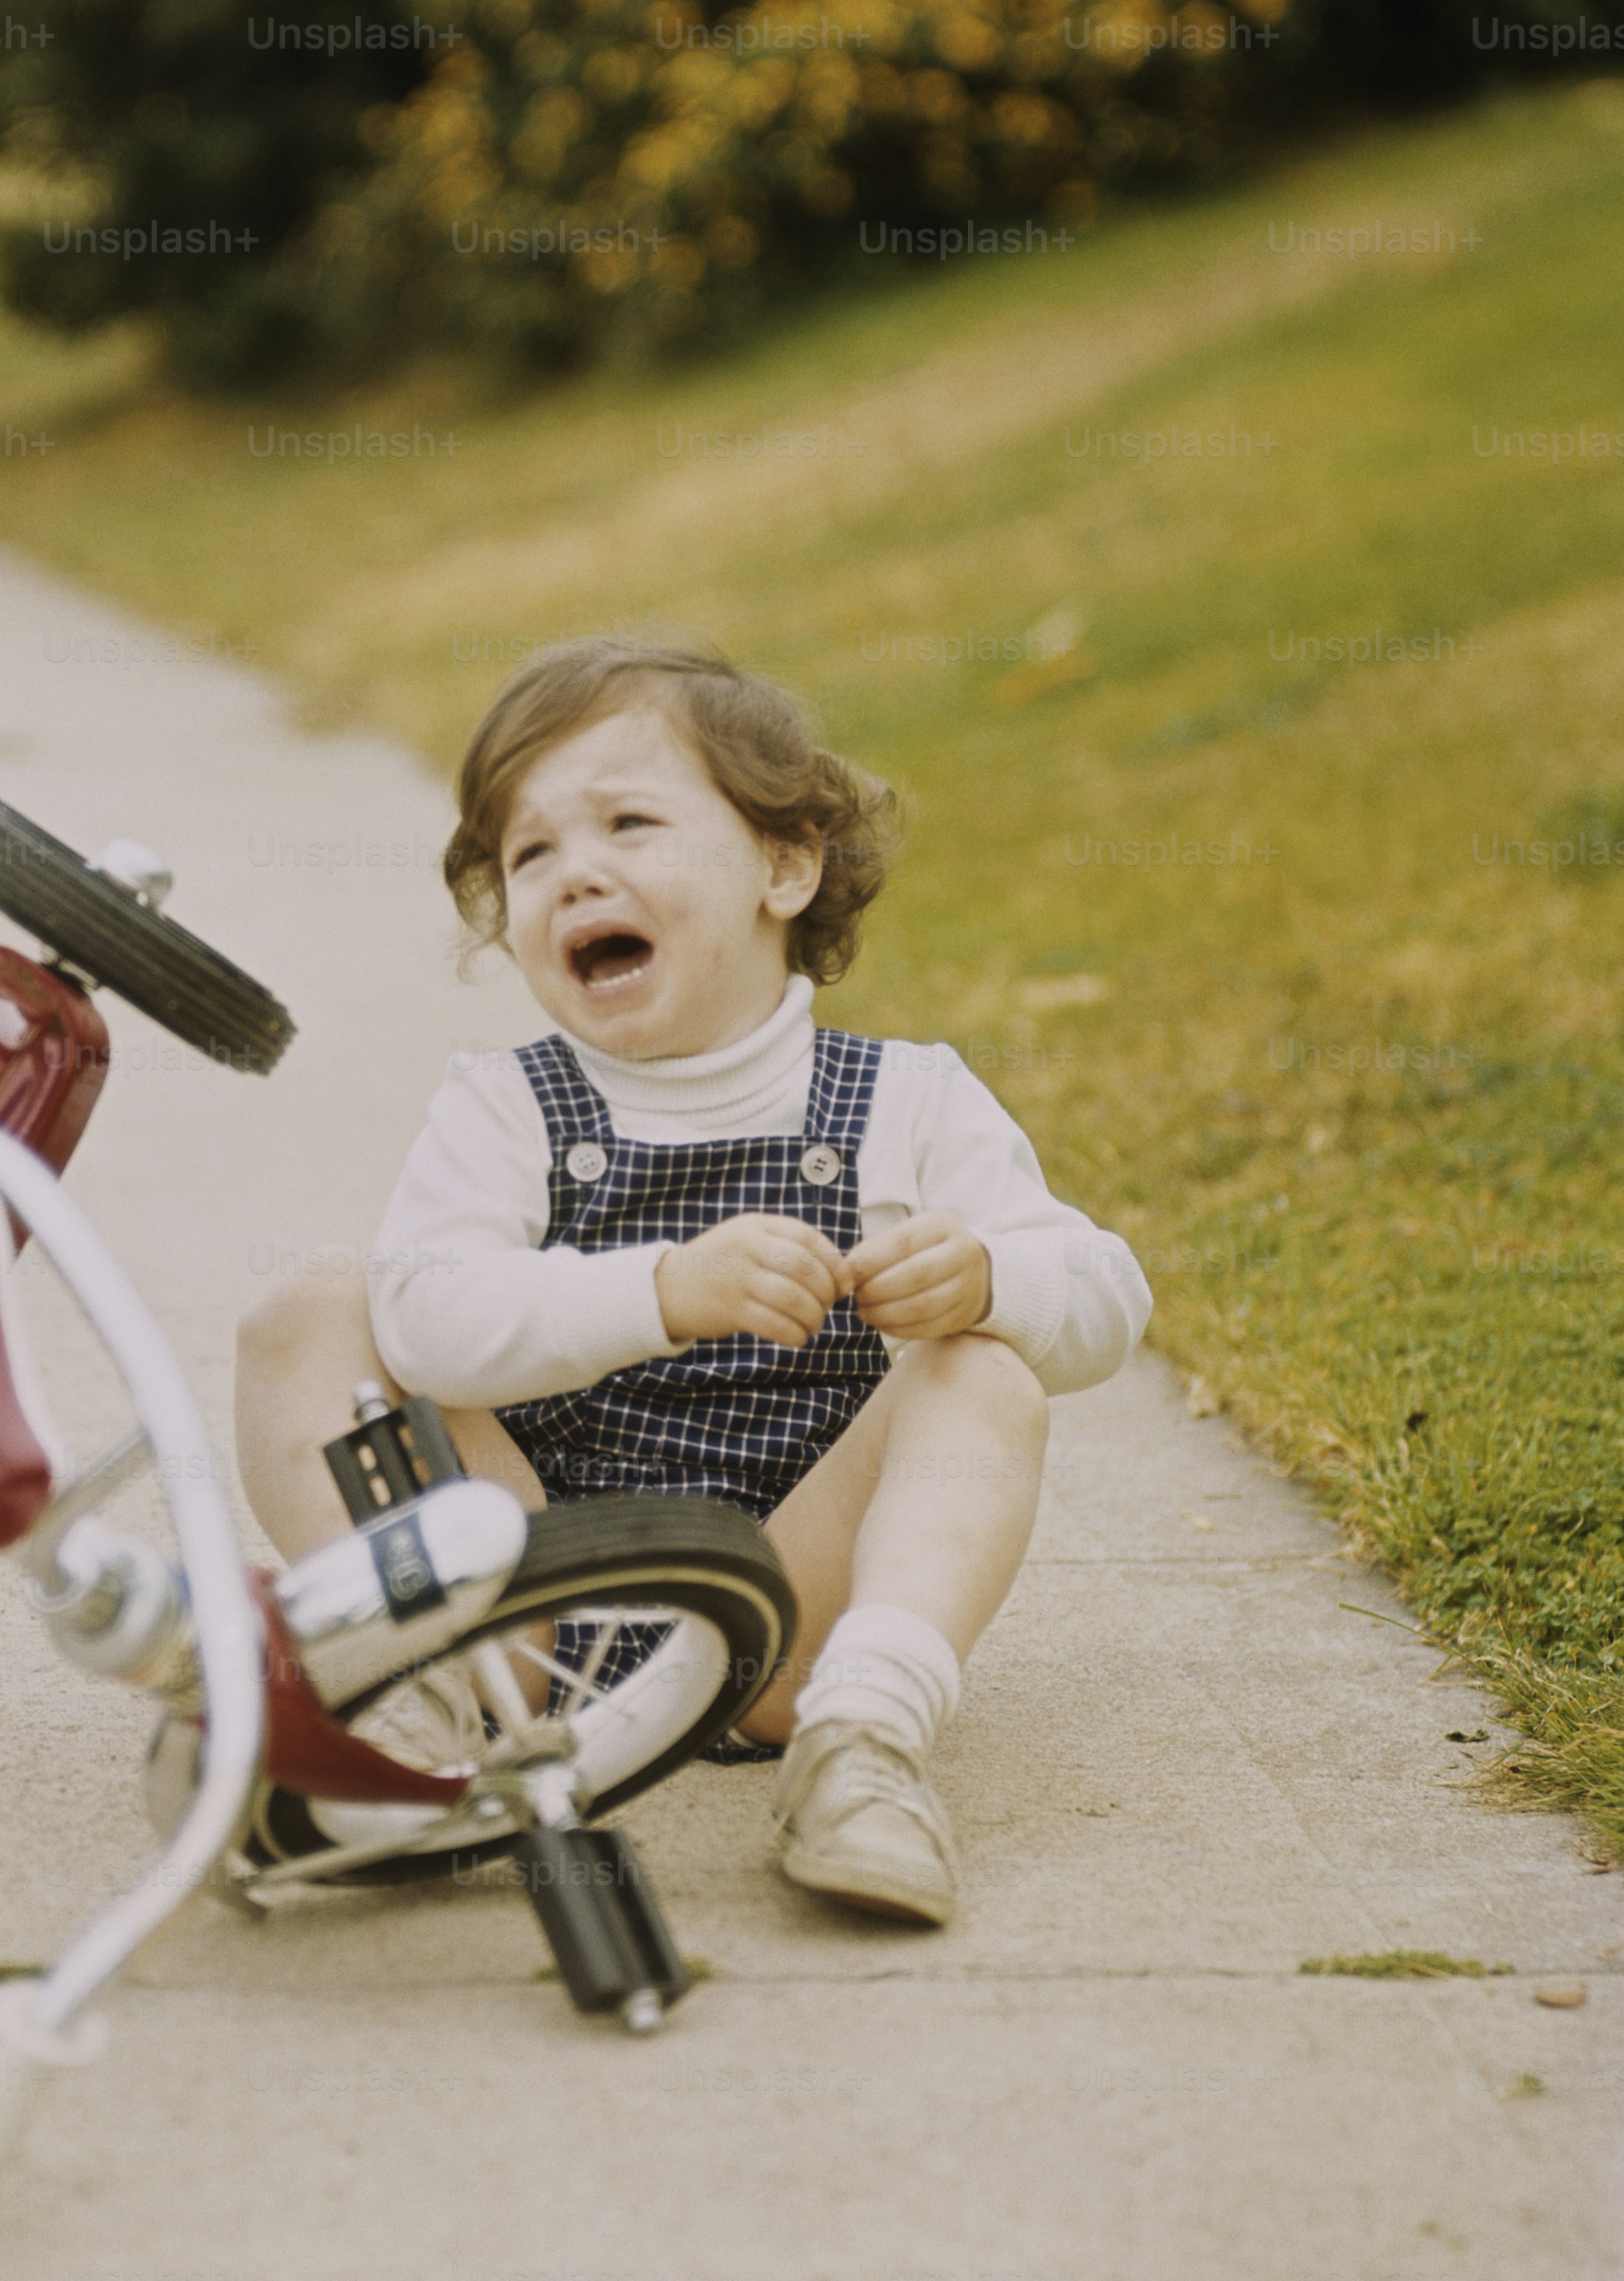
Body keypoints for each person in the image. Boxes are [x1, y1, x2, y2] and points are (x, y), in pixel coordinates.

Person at [234, 640, 1151, 1927]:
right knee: (314, 1313)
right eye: (530, 852)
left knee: (985, 1366)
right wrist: (660, 1289)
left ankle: (863, 1743)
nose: (576, 871)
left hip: (776, 1628)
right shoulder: (503, 1106)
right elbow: (428, 1321)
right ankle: (429, 1705)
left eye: (630, 822)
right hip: (527, 1615)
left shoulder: (909, 1102)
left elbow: (1112, 1295)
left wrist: (991, 1275)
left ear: (787, 863)